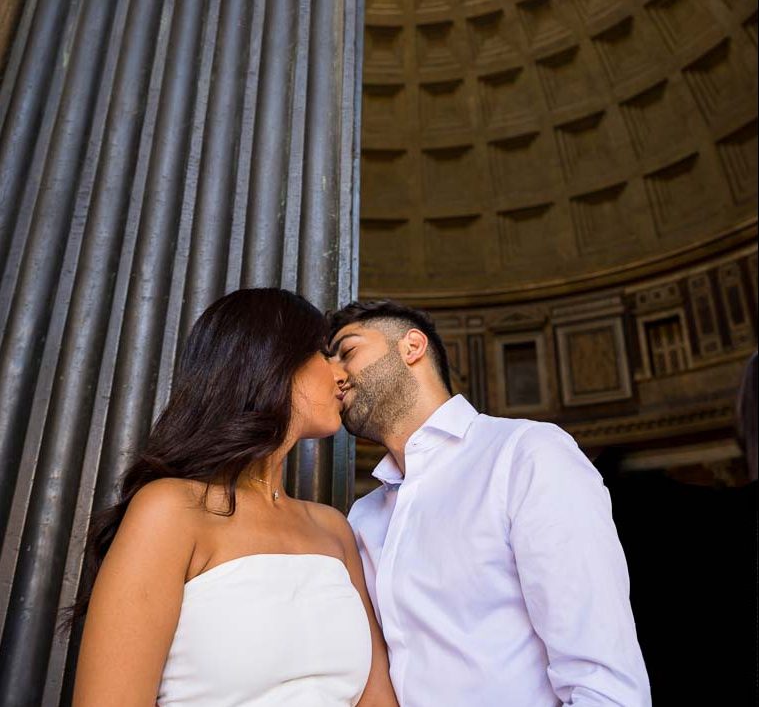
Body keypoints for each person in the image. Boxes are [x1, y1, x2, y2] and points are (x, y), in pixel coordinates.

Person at [71, 288, 398, 707]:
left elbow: (377, 699)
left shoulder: (332, 527)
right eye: (321, 352)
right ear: (270, 360)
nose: (341, 374)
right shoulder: (170, 511)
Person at [328, 298, 651, 707]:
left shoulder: (526, 454)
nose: (335, 376)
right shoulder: (364, 516)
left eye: (348, 352)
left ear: (411, 347)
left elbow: (602, 679)